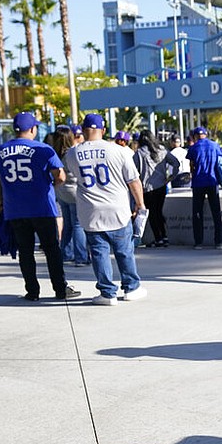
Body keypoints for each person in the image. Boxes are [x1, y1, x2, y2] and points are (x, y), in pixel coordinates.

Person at [0, 112, 79, 301]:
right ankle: (60, 289)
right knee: (51, 249)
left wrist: (1, 204)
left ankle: (32, 291)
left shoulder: (0, 151)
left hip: (15, 209)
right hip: (42, 207)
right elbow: (60, 176)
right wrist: (49, 185)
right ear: (32, 129)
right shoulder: (43, 149)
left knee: (25, 250)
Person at [66, 113, 147, 305]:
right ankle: (131, 288)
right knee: (124, 250)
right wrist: (140, 203)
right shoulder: (118, 150)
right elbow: (133, 180)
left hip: (91, 210)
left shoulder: (72, 153)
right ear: (103, 130)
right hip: (117, 208)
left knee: (99, 252)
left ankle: (107, 292)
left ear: (84, 131)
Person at [133, 129, 180, 248]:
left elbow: (133, 170)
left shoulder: (139, 153)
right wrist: (171, 177)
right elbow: (176, 163)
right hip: (161, 186)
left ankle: (158, 238)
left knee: (152, 214)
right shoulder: (162, 150)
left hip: (147, 188)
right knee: (158, 212)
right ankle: (164, 237)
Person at [51, 127, 90, 267]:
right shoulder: (72, 153)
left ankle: (66, 254)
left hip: (61, 191)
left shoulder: (54, 153)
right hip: (74, 190)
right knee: (78, 224)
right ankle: (81, 257)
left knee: (67, 223)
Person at [186, 126, 222, 249]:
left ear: (195, 136)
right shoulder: (215, 145)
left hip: (198, 182)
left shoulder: (193, 148)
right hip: (213, 181)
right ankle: (219, 242)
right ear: (206, 134)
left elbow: (191, 166)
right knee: (216, 213)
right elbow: (220, 160)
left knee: (197, 212)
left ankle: (198, 242)